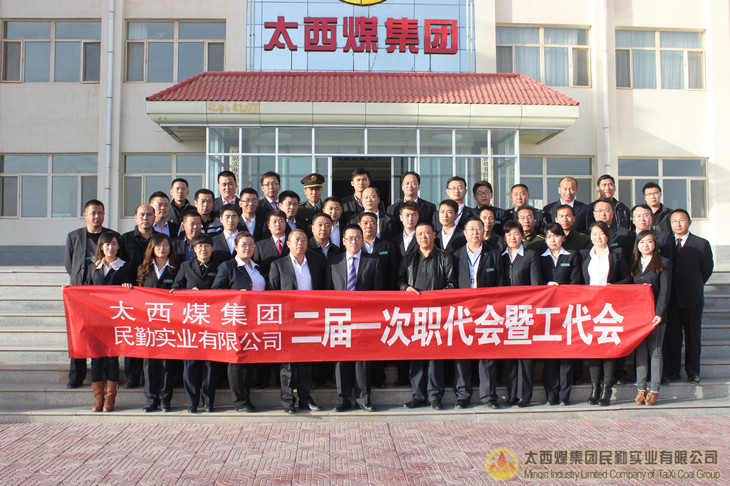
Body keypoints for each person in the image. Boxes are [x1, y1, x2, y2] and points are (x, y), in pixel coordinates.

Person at [268, 230, 330, 413]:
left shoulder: (316, 262)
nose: (300, 243)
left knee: (306, 363)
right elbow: (272, 295)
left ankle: (305, 397)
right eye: (296, 240)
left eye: (303, 239)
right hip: (287, 320)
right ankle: (287, 400)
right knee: (287, 364)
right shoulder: (278, 265)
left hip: (310, 320)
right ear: (288, 244)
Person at [398, 221, 457, 410]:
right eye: (420, 234)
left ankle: (435, 396)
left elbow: (452, 284)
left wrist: (435, 296)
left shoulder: (444, 257)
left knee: (434, 357)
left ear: (434, 235)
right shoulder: (408, 259)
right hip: (414, 314)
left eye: (427, 233)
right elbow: (399, 280)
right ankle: (418, 395)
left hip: (436, 313)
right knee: (416, 355)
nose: (423, 237)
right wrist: (405, 288)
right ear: (415, 237)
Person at [329, 224, 382, 412]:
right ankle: (342, 398)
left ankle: (363, 398)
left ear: (362, 240)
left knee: (363, 360)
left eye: (358, 237)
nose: (354, 241)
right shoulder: (333, 262)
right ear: (343, 241)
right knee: (341, 359)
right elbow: (327, 291)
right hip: (339, 318)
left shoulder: (373, 261)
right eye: (350, 238)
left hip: (364, 318)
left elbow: (378, 293)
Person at [212, 232, 267, 413]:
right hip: (236, 320)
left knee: (249, 359)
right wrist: (236, 295)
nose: (248, 248)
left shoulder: (258, 267)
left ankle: (246, 395)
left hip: (256, 321)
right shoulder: (228, 266)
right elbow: (216, 291)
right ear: (235, 247)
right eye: (243, 244)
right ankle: (239, 401)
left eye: (251, 244)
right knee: (236, 360)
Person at [64, 199, 116, 389]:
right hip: (80, 294)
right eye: (93, 213)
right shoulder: (74, 236)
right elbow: (69, 264)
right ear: (85, 215)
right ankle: (76, 375)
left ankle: (102, 375)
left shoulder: (112, 236)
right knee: (78, 334)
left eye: (100, 213)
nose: (97, 216)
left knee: (102, 336)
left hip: (103, 295)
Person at [453, 217, 502, 409]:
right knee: (462, 353)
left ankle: (488, 396)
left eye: (479, 229)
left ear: (484, 232)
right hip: (463, 310)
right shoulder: (455, 256)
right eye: (472, 229)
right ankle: (462, 394)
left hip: (486, 310)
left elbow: (500, 284)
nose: (475, 233)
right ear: (465, 233)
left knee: (487, 353)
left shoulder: (494, 254)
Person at [580, 221, 631, 406]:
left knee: (608, 348)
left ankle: (607, 389)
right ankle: (595, 388)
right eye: (594, 234)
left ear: (607, 236)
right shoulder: (585, 256)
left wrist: (613, 286)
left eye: (601, 234)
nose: (598, 237)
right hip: (591, 308)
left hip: (610, 308)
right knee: (593, 349)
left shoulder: (617, 255)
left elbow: (627, 279)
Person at [172, 233, 224, 413]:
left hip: (212, 321)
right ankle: (192, 402)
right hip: (191, 322)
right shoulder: (186, 266)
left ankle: (208, 402)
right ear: (194, 249)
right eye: (199, 246)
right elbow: (175, 288)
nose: (203, 249)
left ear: (212, 248)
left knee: (209, 364)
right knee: (191, 364)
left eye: (206, 246)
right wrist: (188, 292)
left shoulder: (219, 266)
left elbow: (224, 288)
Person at [664, 209, 714, 384]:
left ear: (689, 222)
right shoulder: (666, 243)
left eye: (682, 220)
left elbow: (706, 270)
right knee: (673, 337)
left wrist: (694, 284)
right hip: (672, 299)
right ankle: (673, 371)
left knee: (693, 337)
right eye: (674, 221)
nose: (678, 224)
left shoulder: (701, 244)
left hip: (692, 298)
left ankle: (693, 372)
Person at [86, 232, 134, 412]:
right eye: (107, 244)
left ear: (118, 247)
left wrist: (128, 287)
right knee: (96, 358)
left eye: (113, 244)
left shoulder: (125, 267)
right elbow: (85, 289)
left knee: (112, 358)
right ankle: (98, 398)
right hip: (96, 319)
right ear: (101, 247)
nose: (110, 247)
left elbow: (131, 292)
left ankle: (110, 397)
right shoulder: (93, 267)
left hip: (115, 319)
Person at [539, 223, 582, 406]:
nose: (553, 240)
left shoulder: (571, 256)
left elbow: (576, 281)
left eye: (556, 236)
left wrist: (562, 290)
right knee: (550, 355)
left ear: (562, 238)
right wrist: (547, 287)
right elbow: (536, 282)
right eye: (549, 237)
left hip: (566, 311)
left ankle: (565, 394)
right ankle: (551, 393)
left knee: (566, 354)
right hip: (547, 313)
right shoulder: (540, 258)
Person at [501, 220, 542, 408]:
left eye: (516, 234)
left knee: (525, 357)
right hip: (505, 313)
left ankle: (525, 395)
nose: (513, 238)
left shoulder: (530, 256)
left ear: (522, 236)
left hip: (525, 312)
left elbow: (536, 285)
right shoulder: (500, 257)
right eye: (509, 234)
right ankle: (512, 394)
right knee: (509, 356)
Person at [118, 204, 159, 388]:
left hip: (155, 294)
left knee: (154, 335)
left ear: (154, 218)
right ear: (135, 217)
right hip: (132, 293)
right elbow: (120, 265)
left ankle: (150, 376)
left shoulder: (160, 239)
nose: (145, 218)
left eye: (149, 215)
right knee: (134, 335)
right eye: (142, 215)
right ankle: (132, 375)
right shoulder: (125, 239)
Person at [137, 233, 178, 413]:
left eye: (165, 245)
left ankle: (165, 399)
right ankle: (151, 399)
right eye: (158, 245)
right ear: (152, 248)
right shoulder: (143, 269)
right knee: (149, 363)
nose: (162, 249)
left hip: (170, 323)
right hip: (149, 323)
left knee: (167, 363)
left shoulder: (176, 268)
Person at [631, 231, 671, 406]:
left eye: (649, 242)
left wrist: (659, 313)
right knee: (640, 352)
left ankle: (654, 390)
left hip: (655, 315)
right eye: (642, 242)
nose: (645, 245)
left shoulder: (663, 263)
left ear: (655, 244)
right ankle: (641, 389)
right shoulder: (634, 263)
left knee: (655, 352)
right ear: (637, 245)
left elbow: (665, 291)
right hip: (638, 315)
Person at [358, 211, 398, 290]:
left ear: (377, 225)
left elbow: (393, 272)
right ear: (359, 225)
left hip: (382, 289)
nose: (369, 226)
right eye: (365, 223)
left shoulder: (388, 246)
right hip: (360, 291)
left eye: (372, 223)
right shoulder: (354, 246)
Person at [253, 209, 290, 276]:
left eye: (281, 221)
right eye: (274, 222)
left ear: (285, 224)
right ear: (269, 226)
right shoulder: (260, 246)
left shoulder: (293, 243)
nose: (278, 224)